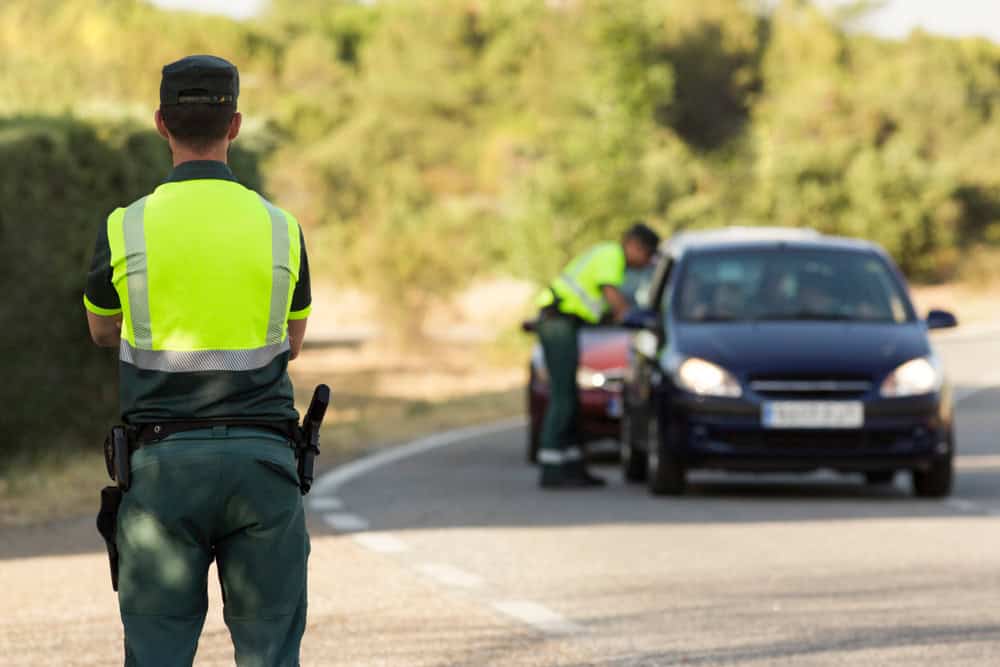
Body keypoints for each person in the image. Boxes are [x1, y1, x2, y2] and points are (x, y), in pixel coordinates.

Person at [83, 55, 312, 666]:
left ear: (161, 123)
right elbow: (291, 341)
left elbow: (101, 330)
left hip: (162, 474)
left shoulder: (124, 227)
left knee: (156, 653)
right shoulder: (281, 228)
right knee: (271, 654)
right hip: (263, 468)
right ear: (235, 125)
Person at [534, 223, 660, 489]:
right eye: (647, 255)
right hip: (558, 323)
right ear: (634, 246)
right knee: (563, 397)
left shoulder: (609, 255)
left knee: (570, 397)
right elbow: (612, 296)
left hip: (566, 324)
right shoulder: (612, 255)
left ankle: (573, 465)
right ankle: (551, 465)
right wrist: (633, 317)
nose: (646, 262)